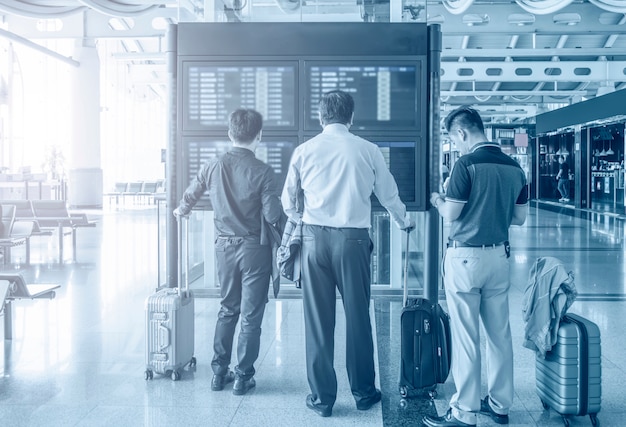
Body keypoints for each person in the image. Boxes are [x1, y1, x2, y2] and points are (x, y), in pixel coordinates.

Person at [281, 90, 415, 418]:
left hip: (313, 242)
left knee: (317, 322)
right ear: (351, 117)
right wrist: (405, 223)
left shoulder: (304, 151)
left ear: (321, 117)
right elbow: (389, 194)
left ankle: (322, 399)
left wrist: (305, 219)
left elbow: (288, 202)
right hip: (353, 242)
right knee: (358, 318)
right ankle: (364, 392)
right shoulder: (368, 150)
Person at [423, 106, 528, 427]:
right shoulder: (515, 167)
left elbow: (452, 214)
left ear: (462, 133)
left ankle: (465, 411)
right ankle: (499, 404)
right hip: (499, 257)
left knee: (466, 335)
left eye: (454, 140)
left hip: (466, 259)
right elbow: (519, 218)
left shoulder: (465, 165)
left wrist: (437, 200)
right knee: (500, 335)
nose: (456, 146)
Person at [174, 108, 282, 396]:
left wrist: (181, 209)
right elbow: (272, 215)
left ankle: (219, 373)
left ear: (230, 133)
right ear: (259, 136)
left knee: (227, 309)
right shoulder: (264, 172)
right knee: (250, 315)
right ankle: (243, 377)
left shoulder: (213, 165)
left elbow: (191, 194)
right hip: (254, 249)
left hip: (224, 248)